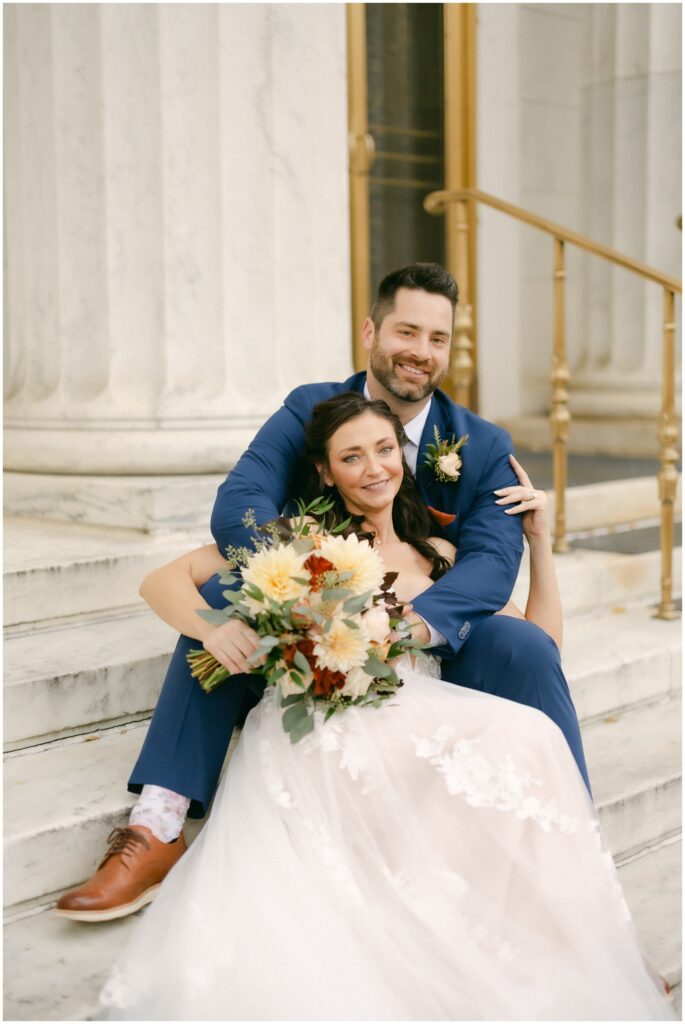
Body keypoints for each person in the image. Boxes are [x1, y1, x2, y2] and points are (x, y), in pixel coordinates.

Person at [97, 393, 672, 1020]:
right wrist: (211, 630)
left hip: (412, 716)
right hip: (327, 730)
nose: (373, 468)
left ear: (403, 454)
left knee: (531, 736)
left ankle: (581, 935)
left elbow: (543, 644)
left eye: (383, 449)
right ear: (325, 472)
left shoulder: (441, 559)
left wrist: (541, 543)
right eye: (351, 456)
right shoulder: (303, 544)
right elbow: (162, 579)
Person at [56, 262, 590, 922]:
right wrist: (317, 588)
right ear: (370, 330)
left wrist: (401, 624)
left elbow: (488, 565)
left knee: (525, 647)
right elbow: (239, 505)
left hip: (423, 635)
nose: (421, 352)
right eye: (406, 331)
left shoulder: (480, 446)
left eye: (438, 338)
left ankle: (577, 871)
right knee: (231, 593)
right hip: (316, 619)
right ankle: (158, 821)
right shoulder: (308, 408)